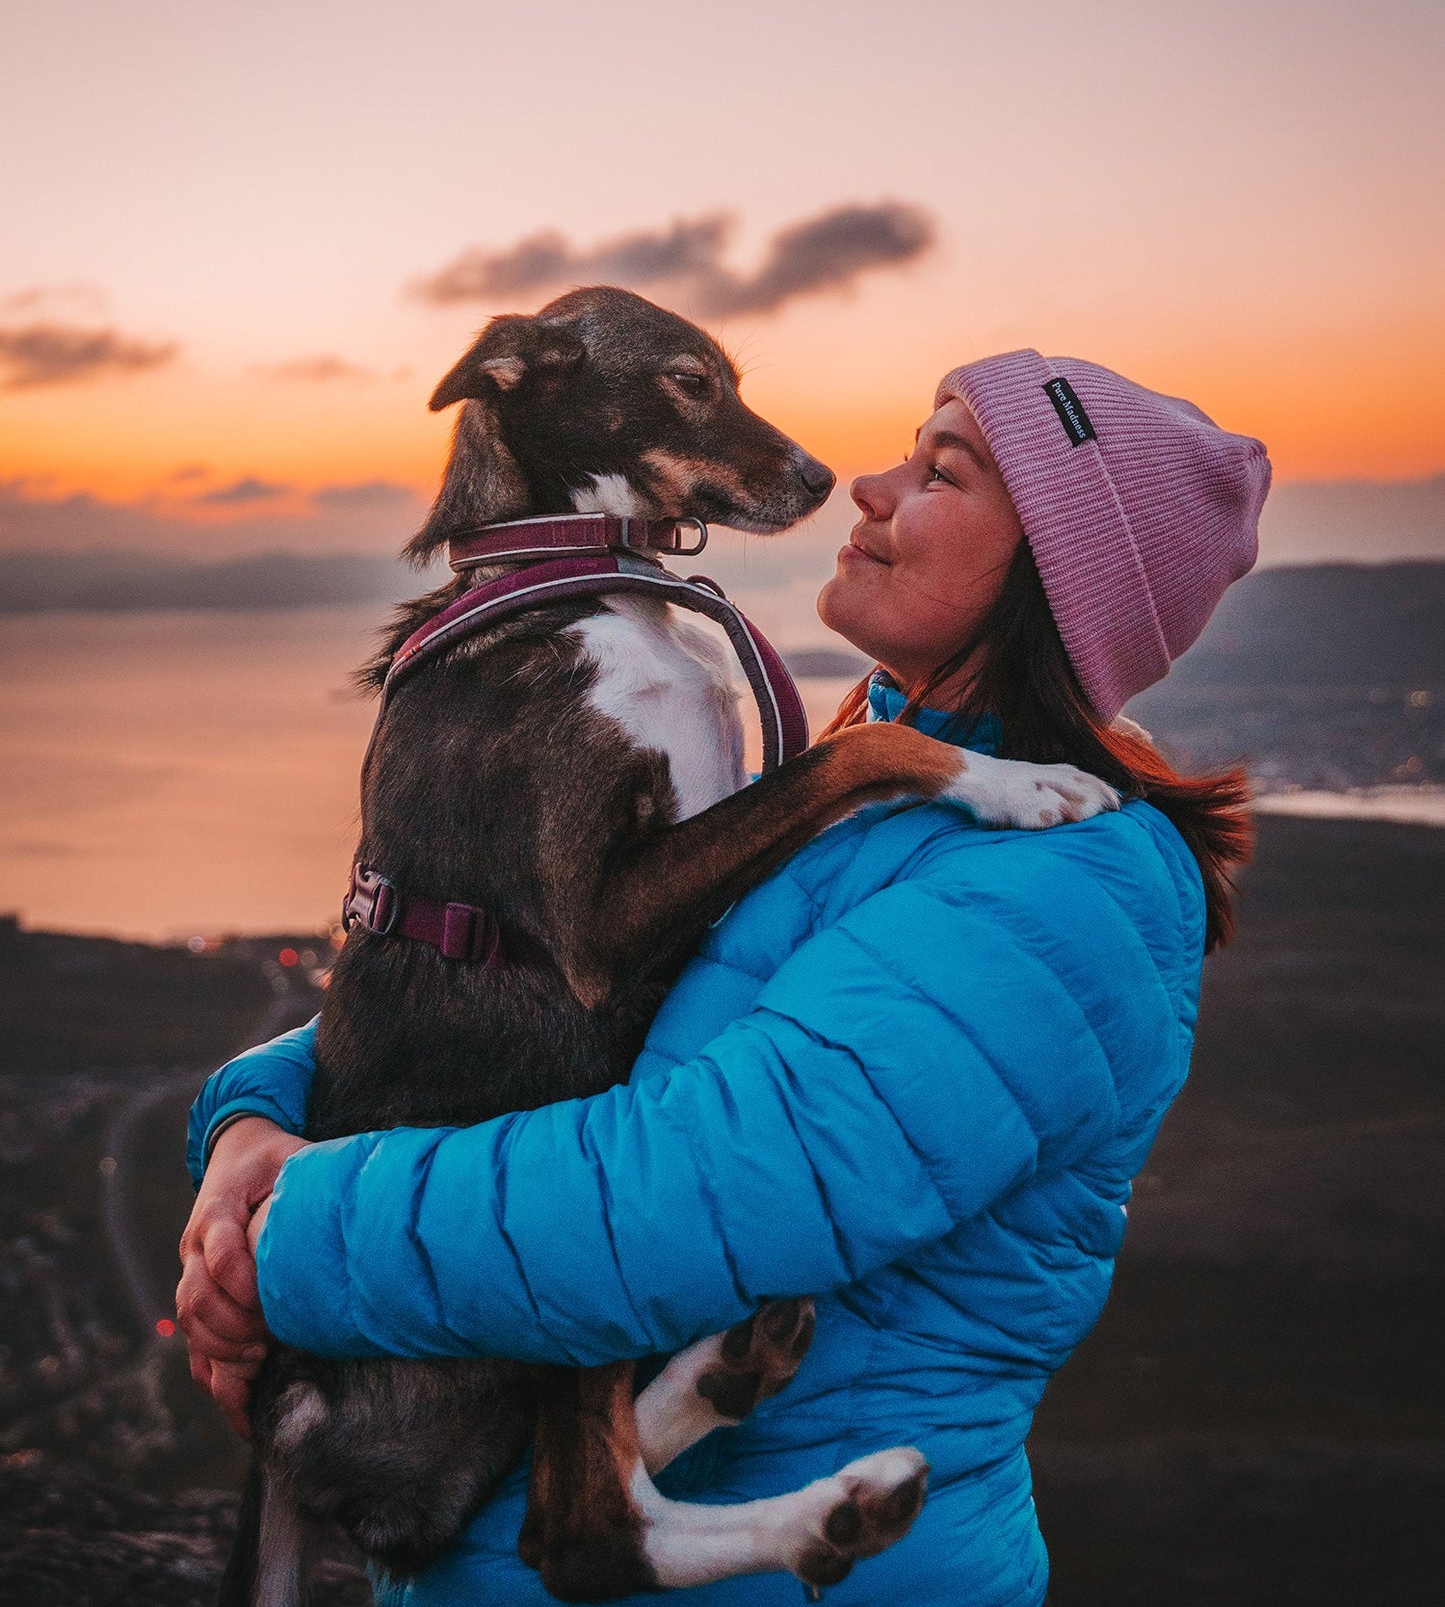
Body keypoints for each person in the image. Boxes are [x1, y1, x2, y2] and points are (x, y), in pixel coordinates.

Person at [177, 347, 1270, 1606]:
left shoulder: (1060, 890)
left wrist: (298, 1232)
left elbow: (680, 1200)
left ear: (1046, 577)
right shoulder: (856, 790)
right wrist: (257, 1119)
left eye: (939, 470)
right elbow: (537, 981)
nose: (866, 484)